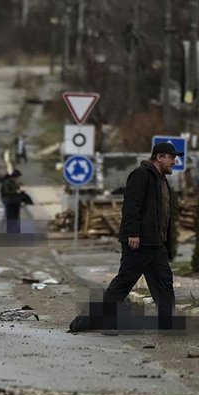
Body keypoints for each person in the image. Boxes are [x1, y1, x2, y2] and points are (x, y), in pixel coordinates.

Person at [71, 141, 182, 332]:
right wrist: (133, 233)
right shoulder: (141, 175)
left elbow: (163, 214)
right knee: (124, 282)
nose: (174, 161)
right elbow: (132, 206)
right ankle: (94, 321)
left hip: (155, 244)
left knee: (164, 282)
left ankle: (167, 323)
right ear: (159, 157)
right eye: (171, 158)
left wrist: (167, 243)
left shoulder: (161, 179)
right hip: (140, 242)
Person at [0, 169, 24, 233]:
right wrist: (15, 192)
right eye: (18, 177)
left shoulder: (14, 182)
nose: (18, 178)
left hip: (15, 201)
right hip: (9, 201)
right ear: (14, 176)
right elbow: (7, 191)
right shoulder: (6, 182)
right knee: (10, 216)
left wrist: (20, 192)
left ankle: (16, 229)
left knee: (16, 215)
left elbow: (17, 188)